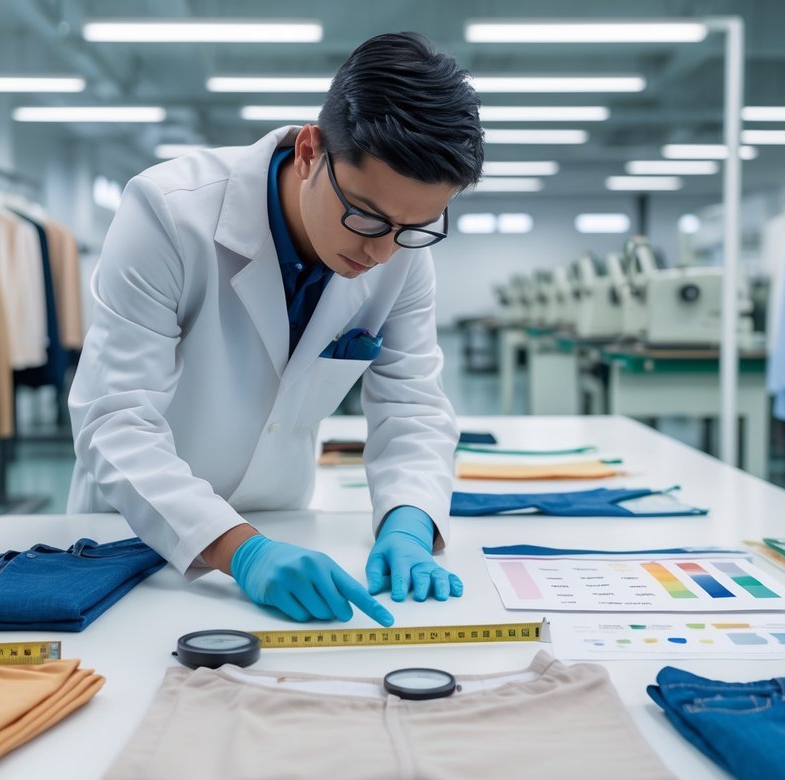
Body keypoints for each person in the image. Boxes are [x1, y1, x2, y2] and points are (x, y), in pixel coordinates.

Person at [67, 32, 484, 628]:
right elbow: (114, 418)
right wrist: (243, 550)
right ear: (311, 151)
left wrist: (410, 521)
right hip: (137, 533)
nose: (384, 251)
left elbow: (412, 404)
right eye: (365, 216)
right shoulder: (167, 211)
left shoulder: (403, 248)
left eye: (414, 227)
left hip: (286, 523)